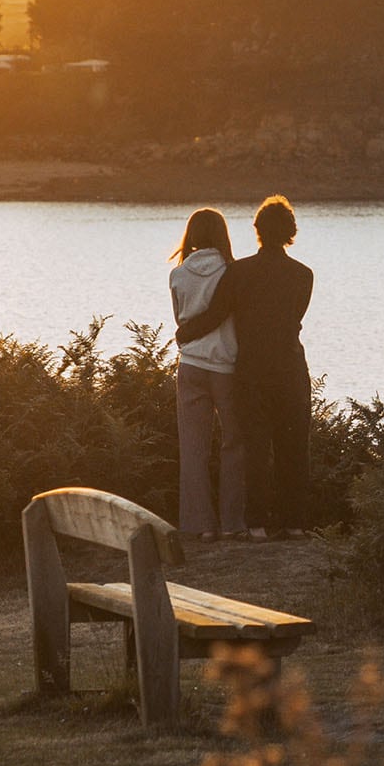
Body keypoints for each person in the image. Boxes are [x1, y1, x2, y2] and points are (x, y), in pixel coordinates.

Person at [175, 195, 314, 539]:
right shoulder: (304, 275)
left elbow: (218, 312)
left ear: (257, 231)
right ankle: (294, 523)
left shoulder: (240, 272)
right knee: (293, 447)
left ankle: (255, 526)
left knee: (254, 446)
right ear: (291, 232)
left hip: (250, 370)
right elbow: (294, 318)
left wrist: (186, 332)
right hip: (290, 368)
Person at [167, 208, 249, 541]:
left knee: (193, 449)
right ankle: (232, 523)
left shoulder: (178, 274)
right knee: (234, 444)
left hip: (190, 366)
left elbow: (180, 321)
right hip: (226, 367)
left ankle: (200, 526)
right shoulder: (233, 272)